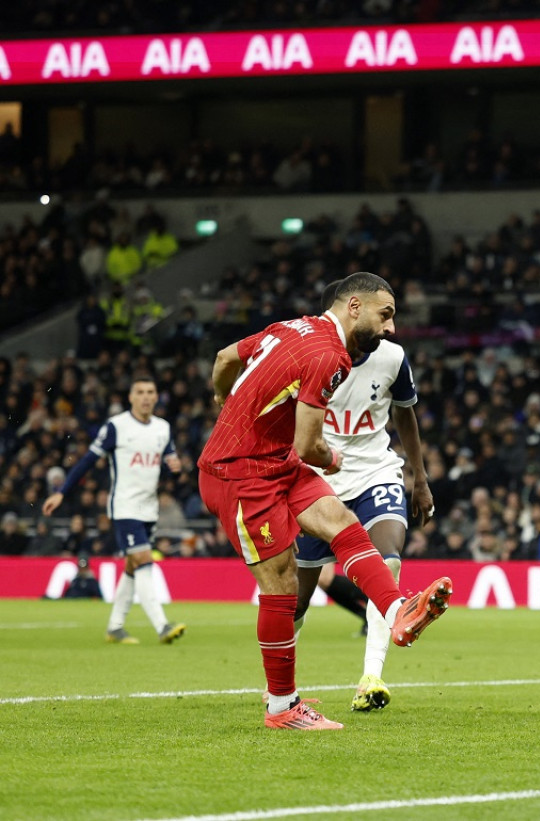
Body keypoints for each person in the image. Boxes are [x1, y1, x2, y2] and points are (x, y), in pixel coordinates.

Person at [198, 271, 452, 731]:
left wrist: (222, 395)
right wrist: (333, 460)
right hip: (240, 474)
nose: (391, 328)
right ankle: (282, 708)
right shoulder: (330, 355)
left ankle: (399, 612)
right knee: (283, 585)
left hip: (275, 461)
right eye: (386, 315)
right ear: (354, 306)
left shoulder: (292, 327)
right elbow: (309, 445)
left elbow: (222, 358)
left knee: (342, 522)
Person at [292, 280, 435, 712]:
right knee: (296, 596)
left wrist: (420, 478)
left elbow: (405, 415)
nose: (391, 328)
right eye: (386, 315)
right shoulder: (310, 354)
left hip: (376, 471)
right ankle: (279, 686)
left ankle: (371, 677)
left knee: (388, 560)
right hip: (319, 478)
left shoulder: (393, 357)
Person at [43, 376, 186, 645]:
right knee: (144, 560)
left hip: (149, 509)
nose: (145, 397)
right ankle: (162, 625)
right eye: (140, 392)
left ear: (156, 397)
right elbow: (87, 460)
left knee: (133, 566)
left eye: (150, 392)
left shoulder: (162, 428)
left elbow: (168, 467)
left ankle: (115, 627)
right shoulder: (116, 427)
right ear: (131, 398)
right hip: (124, 506)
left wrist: (174, 469)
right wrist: (61, 492)